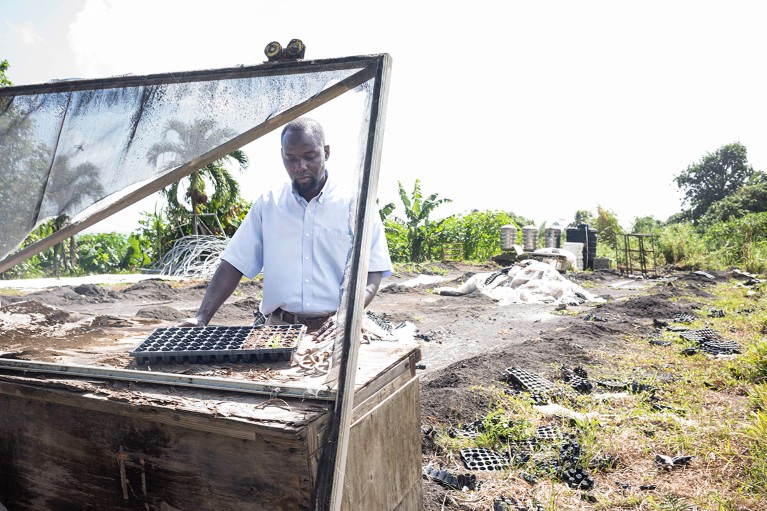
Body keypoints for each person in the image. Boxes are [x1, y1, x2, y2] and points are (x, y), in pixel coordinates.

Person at [181, 117, 392, 331]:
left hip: (339, 330)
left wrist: (347, 315)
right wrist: (201, 317)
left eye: (309, 157)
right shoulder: (268, 205)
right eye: (290, 159)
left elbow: (372, 270)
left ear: (326, 152)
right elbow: (234, 264)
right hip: (279, 329)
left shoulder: (356, 206)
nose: (300, 167)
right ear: (281, 155)